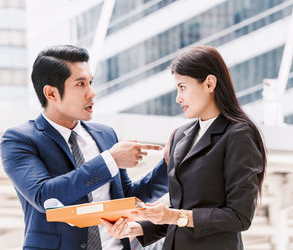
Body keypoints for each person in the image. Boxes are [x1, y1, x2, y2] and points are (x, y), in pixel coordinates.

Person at [0, 45, 169, 250]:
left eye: (90, 82)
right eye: (81, 84)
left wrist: (169, 164)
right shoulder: (19, 140)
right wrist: (110, 160)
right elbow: (46, 198)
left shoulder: (106, 134)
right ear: (51, 93)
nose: (92, 92)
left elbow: (126, 199)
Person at [102, 45, 267, 250]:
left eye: (183, 87)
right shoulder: (181, 135)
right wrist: (138, 227)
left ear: (209, 83)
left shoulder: (238, 135)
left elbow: (238, 217)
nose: (178, 98)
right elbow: (180, 212)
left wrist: (172, 215)